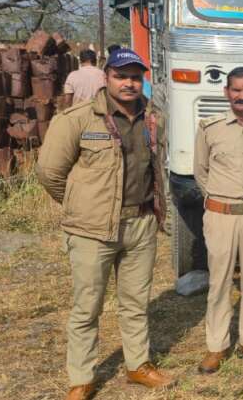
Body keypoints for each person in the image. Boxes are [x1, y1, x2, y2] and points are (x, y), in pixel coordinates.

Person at [36, 49, 174, 400]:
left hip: (140, 224)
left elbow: (156, 168)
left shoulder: (153, 117)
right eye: (121, 76)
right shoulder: (78, 119)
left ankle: (137, 364)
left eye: (135, 77)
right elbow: (50, 172)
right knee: (87, 307)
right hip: (92, 230)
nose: (129, 83)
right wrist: (81, 206)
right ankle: (82, 378)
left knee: (135, 302)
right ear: (106, 77)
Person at [193, 67, 243, 374]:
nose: (242, 96)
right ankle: (217, 345)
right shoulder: (209, 128)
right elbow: (200, 171)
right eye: (237, 90)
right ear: (226, 92)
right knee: (220, 282)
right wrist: (221, 199)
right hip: (221, 215)